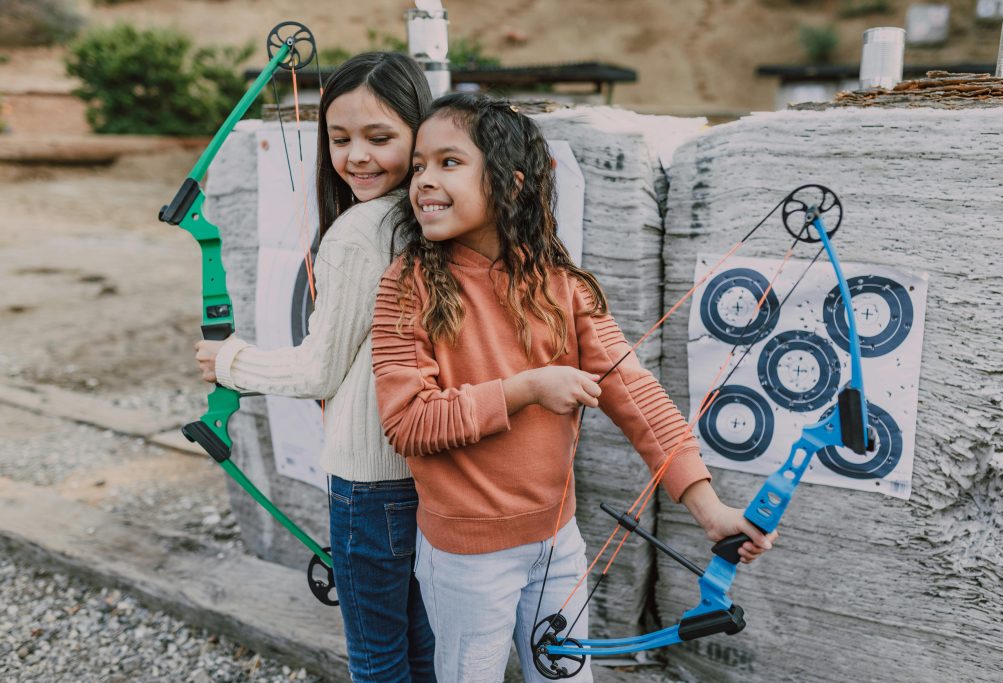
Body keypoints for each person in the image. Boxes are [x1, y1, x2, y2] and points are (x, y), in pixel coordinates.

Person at [370, 93, 778, 682]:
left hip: (557, 544)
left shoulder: (559, 285)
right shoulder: (406, 286)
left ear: (509, 184)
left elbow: (638, 397)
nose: (424, 181)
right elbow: (408, 421)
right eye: (418, 167)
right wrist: (527, 387)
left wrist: (710, 510)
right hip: (465, 557)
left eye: (449, 163)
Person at [193, 52, 436, 683]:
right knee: (420, 639)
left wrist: (229, 361)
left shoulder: (359, 233)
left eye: (380, 137)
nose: (357, 156)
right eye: (339, 137)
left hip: (370, 476)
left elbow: (318, 371)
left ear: (422, 133)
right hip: (430, 469)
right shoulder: (435, 220)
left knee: (378, 653)